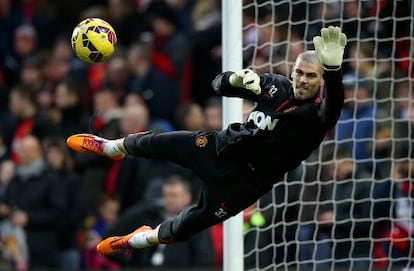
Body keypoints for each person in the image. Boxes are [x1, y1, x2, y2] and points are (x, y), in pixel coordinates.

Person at [66, 26, 347, 256]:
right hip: (219, 148)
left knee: (183, 228)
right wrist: (234, 79)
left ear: (320, 81)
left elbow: (333, 106)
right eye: (299, 72)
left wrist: (334, 72)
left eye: (311, 76)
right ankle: (109, 147)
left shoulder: (317, 116)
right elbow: (217, 85)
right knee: (159, 142)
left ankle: (136, 240)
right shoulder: (276, 85)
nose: (302, 80)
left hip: (243, 184)